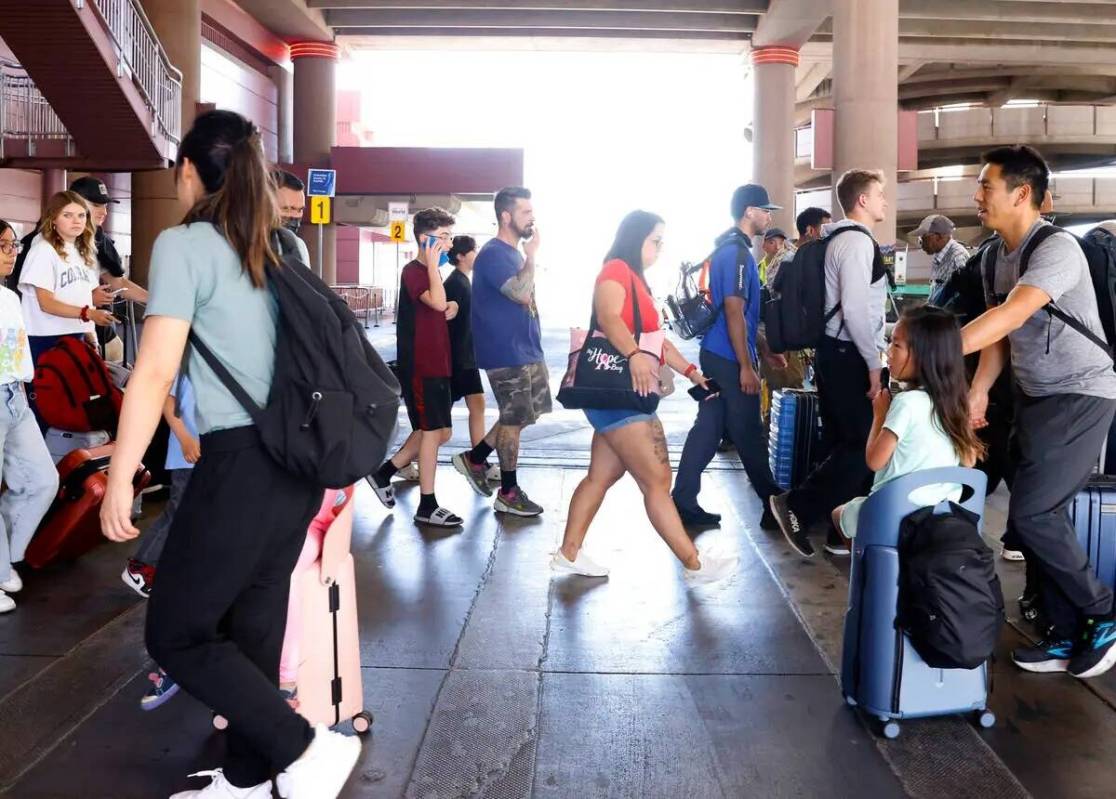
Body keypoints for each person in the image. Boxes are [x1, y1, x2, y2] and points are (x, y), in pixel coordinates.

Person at [99, 110, 360, 799]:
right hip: (296, 462)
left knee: (177, 632)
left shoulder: (185, 244)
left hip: (239, 461)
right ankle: (249, 775)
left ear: (188, 170)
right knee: (252, 625)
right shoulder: (284, 246)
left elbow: (154, 371)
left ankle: (302, 747)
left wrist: (121, 475)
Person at [962, 144, 1116, 679]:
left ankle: (1102, 613)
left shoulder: (1057, 249)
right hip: (1034, 394)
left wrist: (933, 352)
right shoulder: (991, 255)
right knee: (1036, 517)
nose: (977, 195)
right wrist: (980, 390)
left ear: (1021, 193)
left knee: (1032, 514)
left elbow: (1014, 312)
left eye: (985, 185)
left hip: (1081, 392)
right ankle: (1063, 631)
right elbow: (998, 338)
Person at [552, 210, 736, 585]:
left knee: (600, 476)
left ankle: (568, 554)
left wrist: (691, 373)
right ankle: (694, 564)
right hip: (621, 392)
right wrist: (634, 355)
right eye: (655, 240)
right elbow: (608, 317)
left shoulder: (636, 279)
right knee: (656, 479)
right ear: (635, 238)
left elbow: (658, 340)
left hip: (615, 395)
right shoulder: (616, 269)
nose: (660, 248)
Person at [769, 169, 889, 558]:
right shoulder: (855, 242)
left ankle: (841, 531)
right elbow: (854, 309)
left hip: (834, 353)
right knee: (862, 447)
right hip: (848, 354)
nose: (886, 201)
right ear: (863, 201)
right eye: (881, 194)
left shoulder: (837, 238)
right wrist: (874, 363)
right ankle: (798, 507)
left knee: (842, 442)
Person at [671, 184, 786, 529]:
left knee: (709, 427)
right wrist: (747, 367)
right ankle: (774, 504)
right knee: (749, 430)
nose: (769, 216)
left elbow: (744, 315)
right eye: (766, 210)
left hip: (720, 353)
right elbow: (734, 312)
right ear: (749, 211)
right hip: (726, 358)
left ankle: (683, 499)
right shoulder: (735, 254)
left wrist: (763, 349)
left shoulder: (730, 250)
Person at [833, 306, 983, 542]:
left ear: (923, 355)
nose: (888, 352)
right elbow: (970, 461)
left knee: (839, 514)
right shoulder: (956, 403)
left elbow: (874, 461)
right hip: (943, 516)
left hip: (896, 515)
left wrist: (880, 415)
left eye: (896, 345)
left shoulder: (907, 403)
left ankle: (873, 574)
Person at [454, 187, 549, 517]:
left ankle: (475, 458)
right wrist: (533, 255)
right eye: (525, 212)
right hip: (505, 352)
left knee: (522, 416)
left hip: (526, 348)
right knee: (513, 418)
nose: (532, 218)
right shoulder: (494, 254)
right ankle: (508, 491)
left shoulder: (512, 253)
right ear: (506, 216)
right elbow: (521, 294)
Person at [366, 207, 463, 528]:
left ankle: (383, 473)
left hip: (438, 362)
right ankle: (427, 504)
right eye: (445, 238)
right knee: (433, 433)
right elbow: (436, 302)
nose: (450, 244)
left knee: (438, 432)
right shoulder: (414, 271)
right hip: (422, 366)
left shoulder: (430, 272)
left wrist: (453, 303)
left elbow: (442, 304)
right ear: (426, 239)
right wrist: (436, 273)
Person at [0, 220, 59, 614]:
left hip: (15, 395)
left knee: (42, 480)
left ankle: (3, 560)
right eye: (3, 245)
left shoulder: (9, 298)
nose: (11, 252)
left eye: (13, 244)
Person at [121, 374, 198, 600]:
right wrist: (185, 438)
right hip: (189, 453)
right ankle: (141, 566)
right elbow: (166, 397)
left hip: (208, 450)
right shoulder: (184, 352)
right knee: (180, 512)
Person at [18, 191, 115, 364]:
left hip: (75, 334)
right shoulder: (42, 250)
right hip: (45, 337)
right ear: (53, 218)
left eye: (81, 215)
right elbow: (46, 303)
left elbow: (84, 298)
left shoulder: (83, 251)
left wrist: (90, 334)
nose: (76, 221)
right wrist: (89, 314)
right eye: (67, 215)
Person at [445, 235, 498, 482]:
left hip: (464, 356)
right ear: (460, 256)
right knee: (437, 423)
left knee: (475, 406)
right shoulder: (457, 283)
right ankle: (478, 460)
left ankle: (479, 458)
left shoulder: (463, 280)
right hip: (459, 358)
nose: (477, 254)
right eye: (474, 250)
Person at [912, 214, 969, 302]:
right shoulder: (939, 256)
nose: (921, 245)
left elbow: (962, 297)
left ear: (938, 237)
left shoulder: (957, 257)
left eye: (923, 239)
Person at [272, 169, 311, 265]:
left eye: (299, 210)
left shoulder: (299, 247)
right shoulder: (237, 247)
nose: (295, 216)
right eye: (286, 209)